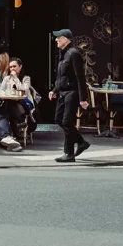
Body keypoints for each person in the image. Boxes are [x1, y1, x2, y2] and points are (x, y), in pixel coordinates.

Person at [50, 30, 90, 162]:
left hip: (71, 93)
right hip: (62, 93)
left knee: (67, 121)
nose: (56, 40)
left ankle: (69, 153)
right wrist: (54, 90)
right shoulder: (63, 54)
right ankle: (81, 142)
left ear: (66, 39)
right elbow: (61, 76)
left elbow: (80, 77)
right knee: (58, 119)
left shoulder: (73, 54)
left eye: (58, 38)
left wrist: (83, 98)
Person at [0, 57, 36, 142]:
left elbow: (24, 90)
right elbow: (1, 91)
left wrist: (16, 79)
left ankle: (8, 134)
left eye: (14, 66)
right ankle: (18, 125)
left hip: (23, 104)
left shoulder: (26, 78)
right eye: (10, 67)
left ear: (20, 66)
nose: (12, 69)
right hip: (10, 102)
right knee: (8, 104)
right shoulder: (7, 78)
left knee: (8, 107)